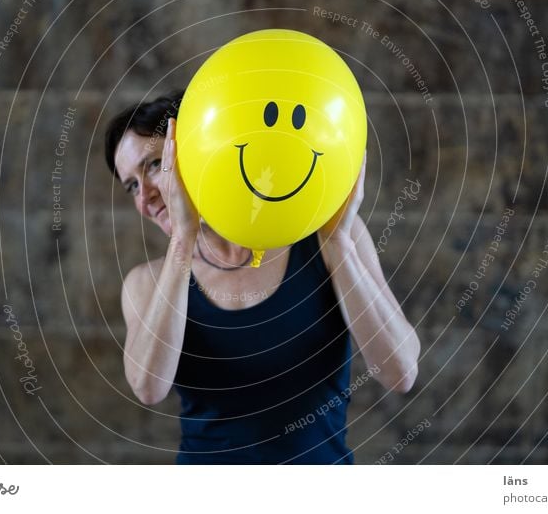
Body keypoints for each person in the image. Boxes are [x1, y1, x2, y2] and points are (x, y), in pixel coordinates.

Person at [104, 91, 420, 464]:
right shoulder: (146, 283)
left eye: (155, 165)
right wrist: (183, 241)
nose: (146, 199)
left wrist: (337, 244)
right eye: (132, 187)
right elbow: (148, 388)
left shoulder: (328, 237)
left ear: (201, 150)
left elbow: (401, 373)